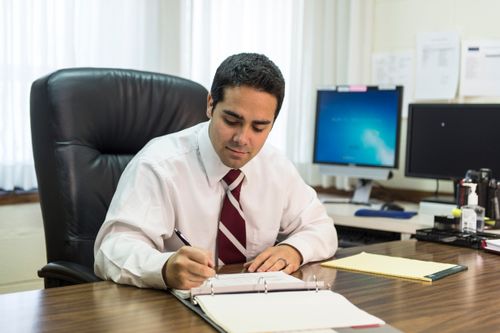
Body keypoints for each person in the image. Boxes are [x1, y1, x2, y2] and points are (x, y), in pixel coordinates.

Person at [94, 53, 338, 290]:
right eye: (231, 121)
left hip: (255, 307)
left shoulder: (275, 166)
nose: (243, 139)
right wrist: (164, 267)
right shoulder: (159, 165)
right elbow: (113, 248)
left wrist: (294, 250)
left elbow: (321, 227)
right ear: (211, 105)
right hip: (176, 310)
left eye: (259, 127)